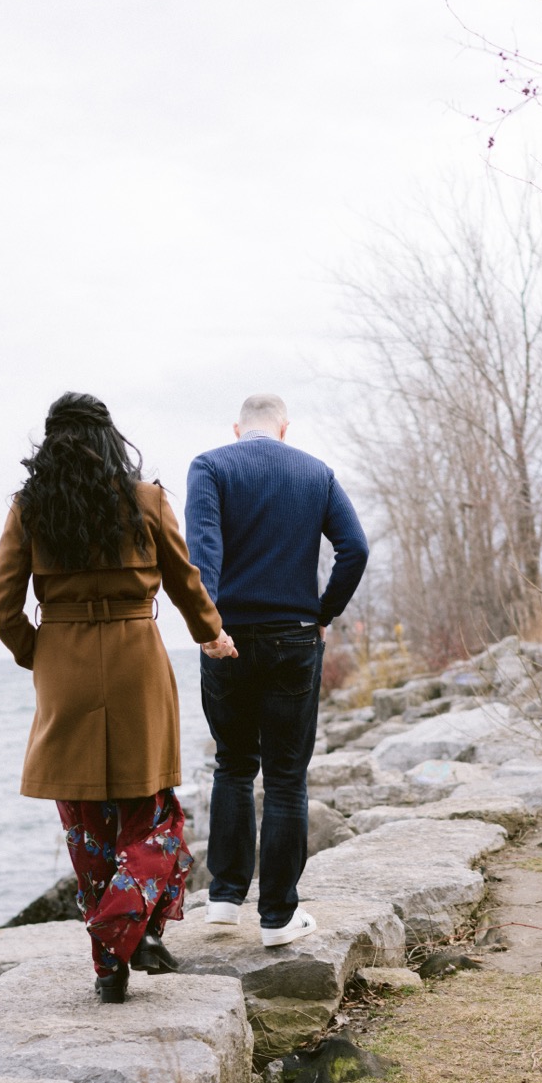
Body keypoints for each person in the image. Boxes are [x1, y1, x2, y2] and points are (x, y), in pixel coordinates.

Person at [0, 391, 237, 1003]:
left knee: (87, 825)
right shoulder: (146, 499)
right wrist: (212, 633)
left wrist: (41, 655)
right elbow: (184, 581)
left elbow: (1, 606)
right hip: (136, 661)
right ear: (109, 438)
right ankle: (126, 928)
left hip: (64, 664)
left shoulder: (31, 507)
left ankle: (110, 965)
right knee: (155, 818)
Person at [185, 392, 369, 946]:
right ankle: (278, 918)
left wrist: (209, 626)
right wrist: (322, 613)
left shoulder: (210, 466)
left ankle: (223, 897)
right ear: (285, 429)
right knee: (287, 778)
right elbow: (354, 550)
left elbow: (203, 551)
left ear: (237, 427)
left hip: (228, 639)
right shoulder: (316, 473)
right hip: (294, 639)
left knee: (233, 765)